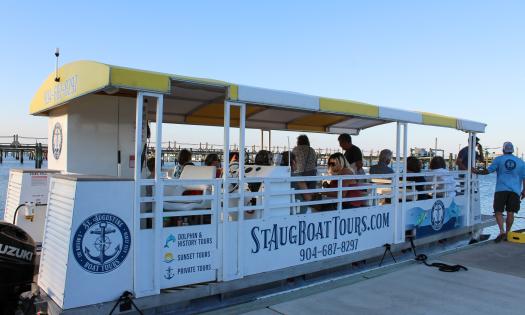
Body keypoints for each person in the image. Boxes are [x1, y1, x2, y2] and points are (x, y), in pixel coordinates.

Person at [476, 142, 525, 242]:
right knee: (510, 213)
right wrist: (524, 190)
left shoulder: (499, 159)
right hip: (515, 191)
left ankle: (501, 231)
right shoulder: (521, 162)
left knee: (498, 211)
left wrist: (476, 171)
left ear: (503, 150)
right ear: (512, 150)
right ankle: (507, 233)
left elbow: (487, 171)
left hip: (501, 190)